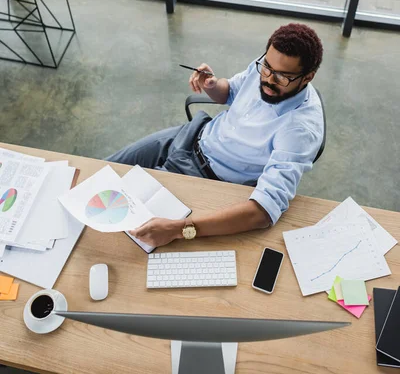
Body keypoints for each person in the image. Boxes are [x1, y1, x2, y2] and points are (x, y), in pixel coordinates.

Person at [108, 22, 324, 247]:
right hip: (190, 137)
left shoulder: (299, 130)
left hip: (204, 176)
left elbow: (262, 212)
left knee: (122, 224)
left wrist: (179, 230)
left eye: (282, 77)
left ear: (308, 77)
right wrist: (211, 84)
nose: (269, 79)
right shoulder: (263, 67)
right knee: (103, 171)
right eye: (267, 67)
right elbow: (229, 92)